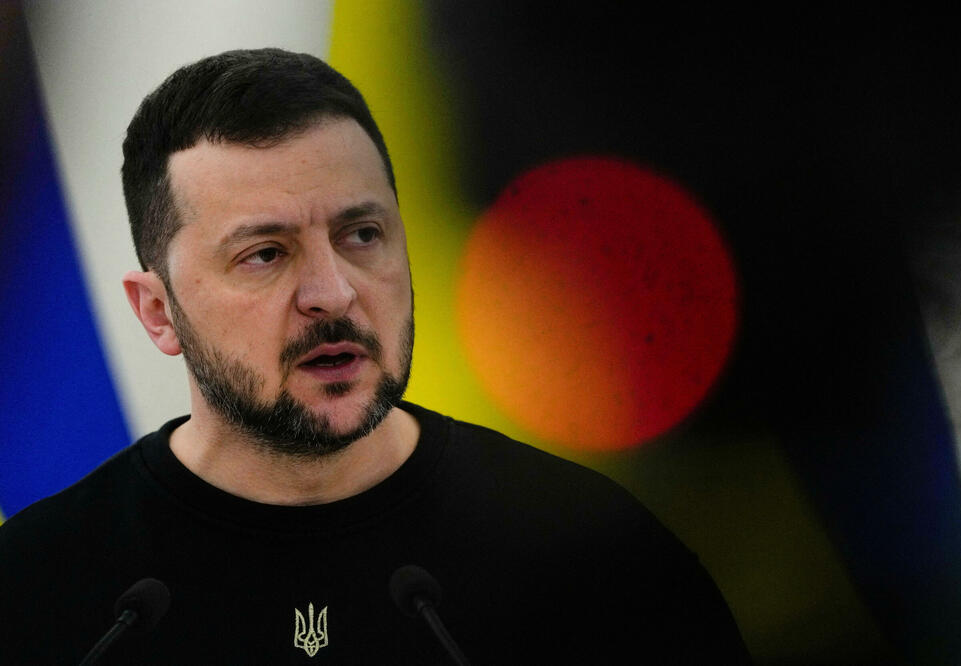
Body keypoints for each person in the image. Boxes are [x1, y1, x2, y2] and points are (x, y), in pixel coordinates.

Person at [0, 48, 750, 664]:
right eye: (266, 254)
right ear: (158, 312)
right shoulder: (39, 589)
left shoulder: (598, 562)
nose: (333, 294)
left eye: (362, 235)